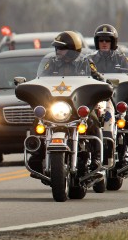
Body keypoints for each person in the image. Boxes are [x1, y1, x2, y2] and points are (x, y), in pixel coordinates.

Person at [29, 31, 105, 174]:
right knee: (38, 120)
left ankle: (97, 157)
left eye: (61, 48)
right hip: (56, 105)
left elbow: (98, 78)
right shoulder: (51, 63)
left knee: (94, 120)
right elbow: (41, 78)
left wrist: (102, 85)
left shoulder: (85, 62)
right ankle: (37, 153)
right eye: (57, 48)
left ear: (72, 50)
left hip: (78, 106)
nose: (58, 51)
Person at [90, 24, 128, 166]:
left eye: (108, 40)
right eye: (101, 40)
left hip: (119, 97)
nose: (104, 43)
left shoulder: (121, 58)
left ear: (113, 42)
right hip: (99, 98)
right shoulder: (90, 60)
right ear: (97, 42)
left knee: (127, 110)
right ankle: (93, 154)